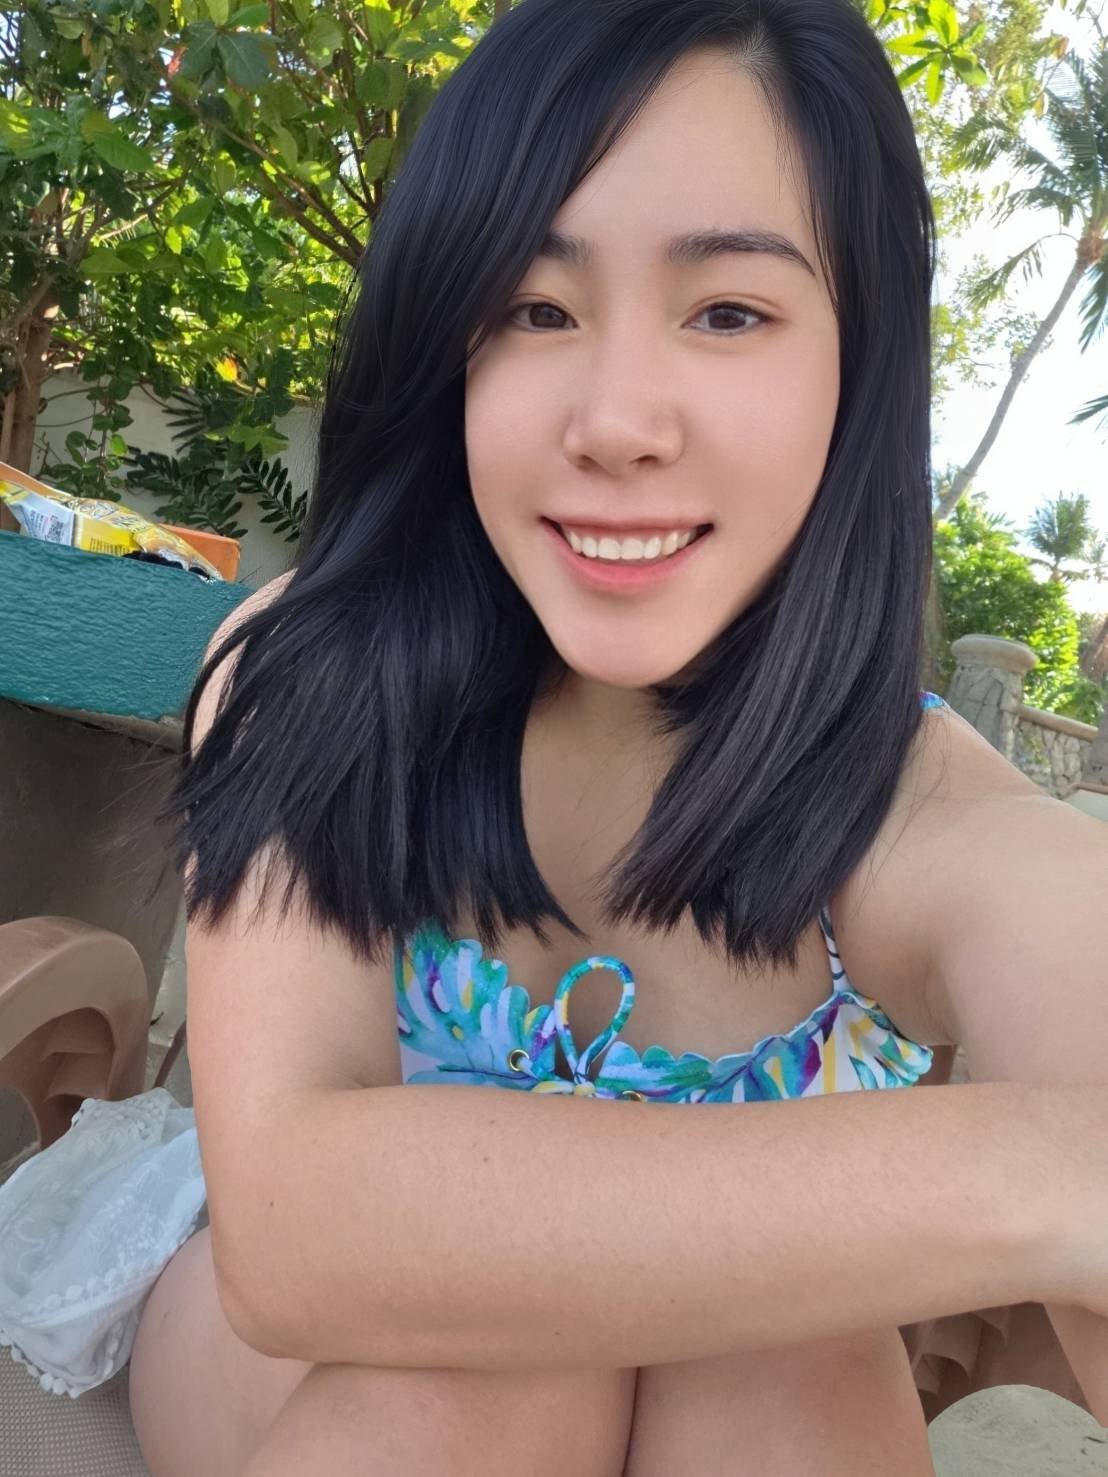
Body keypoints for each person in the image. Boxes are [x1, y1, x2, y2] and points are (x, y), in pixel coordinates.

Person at [2, 0, 1106, 1472]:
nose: (616, 420)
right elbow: (298, 1227)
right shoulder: (313, 673)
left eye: (729, 311)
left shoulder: (921, 817)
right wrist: (1040, 1169)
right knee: (504, 1378)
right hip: (310, 1364)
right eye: (535, 308)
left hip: (740, 1393)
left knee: (785, 1362)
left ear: (861, 363)